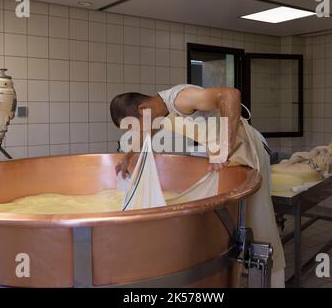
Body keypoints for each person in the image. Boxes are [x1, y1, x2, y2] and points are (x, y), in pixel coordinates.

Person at [109, 84, 285, 288]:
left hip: (250, 148)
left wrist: (223, 149)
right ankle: (248, 274)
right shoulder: (159, 114)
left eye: (133, 126)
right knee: (244, 221)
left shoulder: (178, 99)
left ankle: (273, 279)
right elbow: (146, 135)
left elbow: (230, 95)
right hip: (236, 155)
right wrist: (127, 157)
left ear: (142, 110)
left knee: (261, 222)